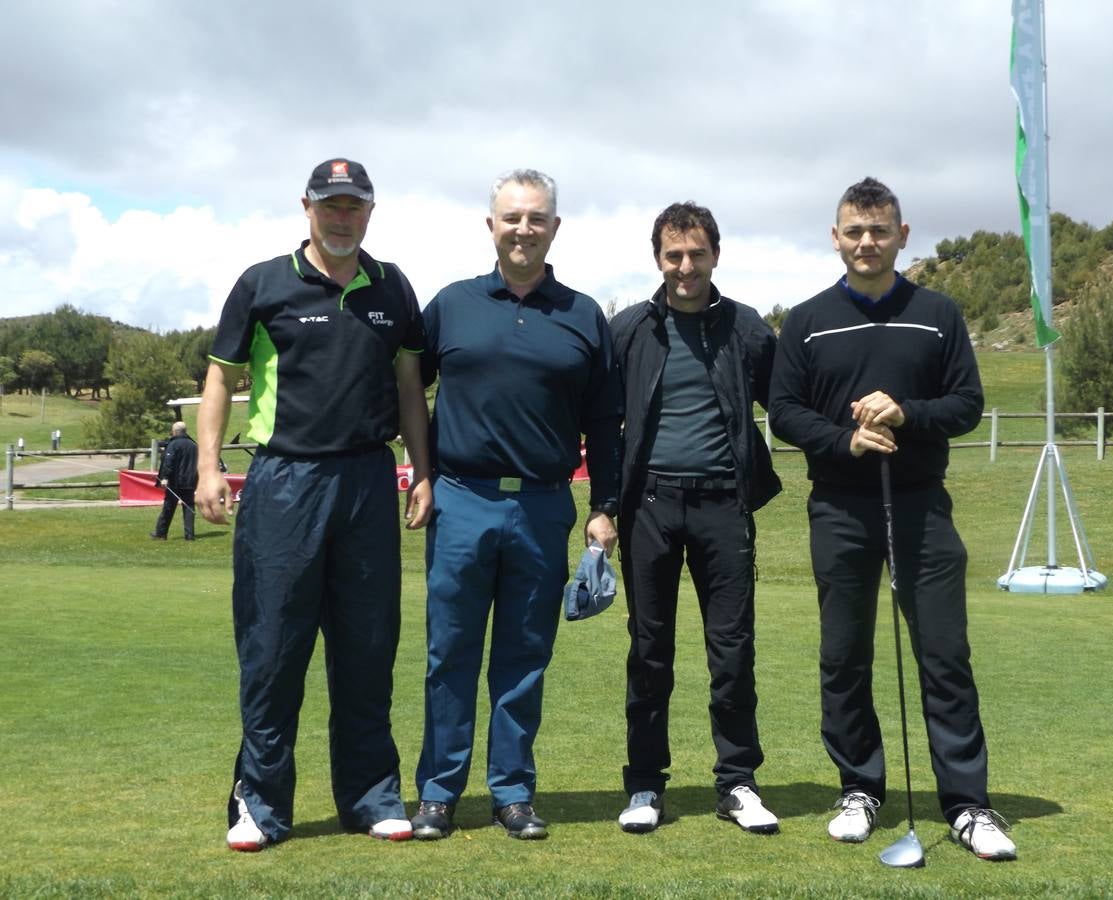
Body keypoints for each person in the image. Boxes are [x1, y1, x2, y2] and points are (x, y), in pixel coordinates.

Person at [768, 177, 1016, 860]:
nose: (867, 242)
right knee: (844, 657)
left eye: (879, 231)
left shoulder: (937, 312)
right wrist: (843, 440)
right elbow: (784, 410)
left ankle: (968, 804)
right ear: (836, 237)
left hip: (921, 507)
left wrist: (908, 413)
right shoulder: (809, 320)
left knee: (943, 655)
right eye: (854, 231)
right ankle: (860, 788)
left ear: (903, 236)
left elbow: (965, 403)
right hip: (839, 507)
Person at [195, 158, 432, 851]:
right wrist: (209, 467)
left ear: (369, 211)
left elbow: (410, 384)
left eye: (353, 205)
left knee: (366, 648)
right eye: (329, 205)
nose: (340, 217)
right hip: (282, 483)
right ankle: (261, 806)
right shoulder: (262, 283)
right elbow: (221, 379)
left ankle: (372, 797)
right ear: (307, 207)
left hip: (366, 478)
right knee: (273, 649)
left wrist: (422, 468)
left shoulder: (392, 286)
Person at [411, 169, 622, 841]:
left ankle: (513, 792)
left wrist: (604, 506)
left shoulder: (584, 315)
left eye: (536, 218)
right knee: (450, 653)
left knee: (524, 656)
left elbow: (605, 422)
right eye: (512, 217)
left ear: (554, 227)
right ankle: (439, 793)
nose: (523, 229)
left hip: (541, 505)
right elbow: (404, 390)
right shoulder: (451, 304)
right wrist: (419, 473)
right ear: (491, 225)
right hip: (460, 501)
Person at [609, 202, 782, 835]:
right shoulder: (630, 329)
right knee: (649, 654)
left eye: (697, 254)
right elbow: (602, 423)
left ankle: (738, 782)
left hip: (722, 506)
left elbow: (789, 399)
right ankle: (645, 787)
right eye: (673, 255)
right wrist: (604, 507)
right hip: (649, 507)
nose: (686, 267)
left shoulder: (746, 329)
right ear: (658, 259)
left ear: (715, 254)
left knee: (732, 652)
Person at [150, 421, 198, 541]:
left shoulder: (173, 444)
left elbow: (168, 462)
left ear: (175, 431)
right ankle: (189, 535)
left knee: (168, 507)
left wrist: (165, 477)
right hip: (190, 481)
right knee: (188, 507)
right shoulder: (194, 445)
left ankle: (161, 533)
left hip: (176, 481)